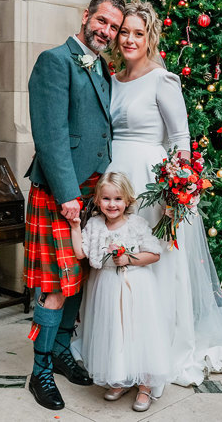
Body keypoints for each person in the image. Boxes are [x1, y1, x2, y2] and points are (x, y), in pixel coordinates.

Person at [104, 0, 222, 392]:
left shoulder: (162, 79)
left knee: (151, 268)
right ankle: (120, 354)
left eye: (139, 32)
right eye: (125, 32)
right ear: (116, 37)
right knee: (118, 268)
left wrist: (179, 189)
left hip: (153, 187)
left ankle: (154, 356)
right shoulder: (111, 78)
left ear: (150, 36)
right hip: (116, 182)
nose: (130, 39)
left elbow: (180, 139)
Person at [23, 0, 125, 411]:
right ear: (86, 17)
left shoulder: (103, 68)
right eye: (101, 21)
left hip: (91, 195)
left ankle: (62, 353)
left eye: (114, 27)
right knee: (55, 286)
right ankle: (40, 371)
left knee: (77, 280)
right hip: (59, 192)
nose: (106, 31)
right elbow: (49, 135)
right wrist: (67, 194)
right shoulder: (54, 60)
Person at [68, 172, 168, 412]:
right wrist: (74, 226)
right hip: (107, 287)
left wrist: (128, 258)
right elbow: (81, 253)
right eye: (106, 199)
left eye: (117, 199)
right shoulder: (94, 225)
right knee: (114, 331)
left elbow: (154, 253)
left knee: (137, 331)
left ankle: (145, 385)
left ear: (128, 200)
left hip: (135, 287)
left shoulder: (136, 224)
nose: (112, 204)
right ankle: (120, 378)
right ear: (98, 200)